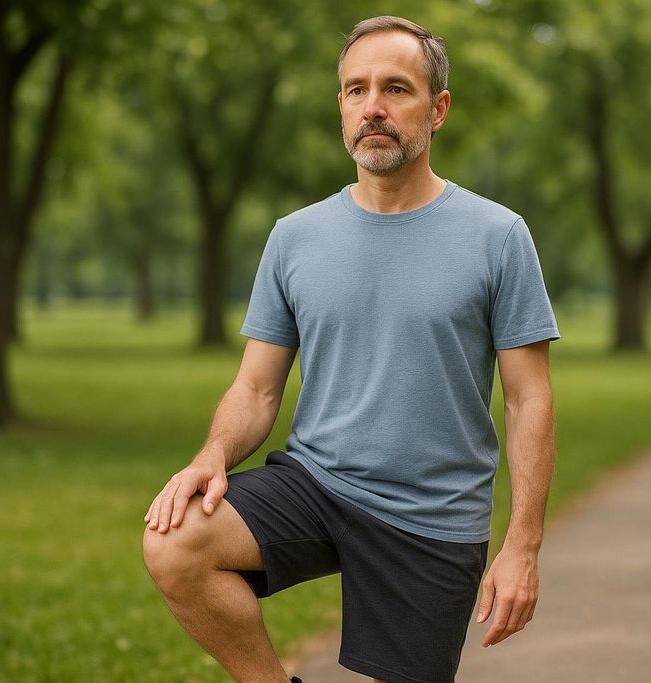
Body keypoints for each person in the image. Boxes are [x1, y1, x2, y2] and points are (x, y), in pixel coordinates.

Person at [142, 15, 560, 683]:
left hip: (432, 513)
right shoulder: (294, 238)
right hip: (316, 484)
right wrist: (211, 454)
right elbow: (256, 389)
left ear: (439, 108)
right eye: (355, 89)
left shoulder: (499, 236)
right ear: (339, 106)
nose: (373, 106)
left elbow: (528, 397)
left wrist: (523, 544)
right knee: (175, 540)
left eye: (396, 88)